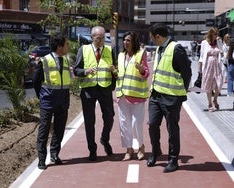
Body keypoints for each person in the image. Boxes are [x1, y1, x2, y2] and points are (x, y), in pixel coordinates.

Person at [147, 23, 192, 173]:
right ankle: (155, 151)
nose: (151, 40)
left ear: (158, 37)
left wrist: (181, 92)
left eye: (152, 38)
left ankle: (173, 159)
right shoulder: (160, 48)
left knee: (172, 129)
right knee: (152, 125)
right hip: (156, 95)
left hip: (171, 98)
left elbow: (187, 73)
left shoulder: (176, 48)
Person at [73, 26, 117, 161]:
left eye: (103, 38)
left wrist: (114, 75)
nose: (101, 40)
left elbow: (115, 69)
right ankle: (92, 149)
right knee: (89, 121)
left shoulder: (110, 50)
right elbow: (76, 70)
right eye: (98, 38)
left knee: (109, 117)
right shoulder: (84, 49)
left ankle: (105, 139)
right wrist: (86, 71)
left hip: (105, 89)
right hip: (88, 90)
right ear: (92, 38)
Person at [33, 34, 71, 169]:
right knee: (43, 131)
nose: (68, 47)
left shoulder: (66, 60)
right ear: (60, 47)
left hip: (63, 101)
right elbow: (36, 82)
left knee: (59, 130)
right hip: (47, 102)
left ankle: (54, 154)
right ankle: (42, 159)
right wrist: (42, 97)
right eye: (66, 44)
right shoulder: (44, 61)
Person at [116, 31, 150, 161]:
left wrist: (141, 69)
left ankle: (141, 147)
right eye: (124, 40)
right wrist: (114, 72)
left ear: (134, 42)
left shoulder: (141, 54)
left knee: (136, 123)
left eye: (128, 40)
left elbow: (146, 73)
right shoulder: (120, 56)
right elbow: (121, 74)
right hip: (122, 94)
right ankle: (129, 149)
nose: (125, 42)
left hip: (137, 95)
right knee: (124, 123)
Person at [198, 27, 223, 112]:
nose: (216, 35)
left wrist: (221, 50)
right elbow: (201, 57)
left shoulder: (218, 42)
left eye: (217, 34)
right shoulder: (204, 43)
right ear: (211, 34)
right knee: (208, 86)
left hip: (217, 66)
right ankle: (209, 104)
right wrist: (199, 69)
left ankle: (215, 99)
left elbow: (222, 52)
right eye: (215, 34)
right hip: (207, 66)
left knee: (219, 84)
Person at [227, 43, 234, 108]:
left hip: (232, 64)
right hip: (232, 65)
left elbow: (228, 56)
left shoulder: (232, 45)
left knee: (230, 79)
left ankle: (230, 91)